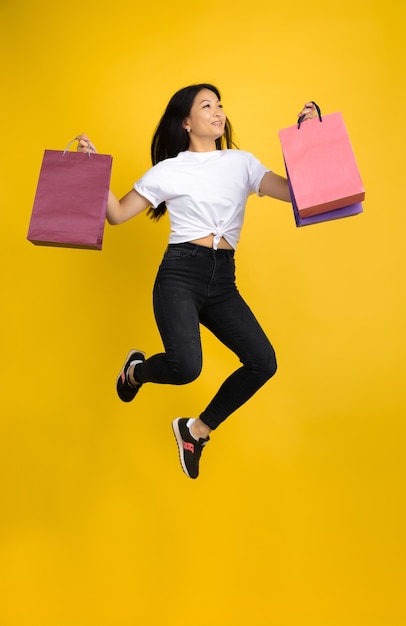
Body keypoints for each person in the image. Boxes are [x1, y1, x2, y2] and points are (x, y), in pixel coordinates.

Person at [77, 83, 315, 479]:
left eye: (220, 104)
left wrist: (307, 140)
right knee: (187, 367)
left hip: (223, 280)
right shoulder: (170, 170)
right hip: (180, 276)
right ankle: (135, 372)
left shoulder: (242, 163)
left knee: (263, 362)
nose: (218, 111)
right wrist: (93, 168)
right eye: (207, 105)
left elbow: (295, 194)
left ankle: (196, 430)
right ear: (187, 122)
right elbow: (116, 215)